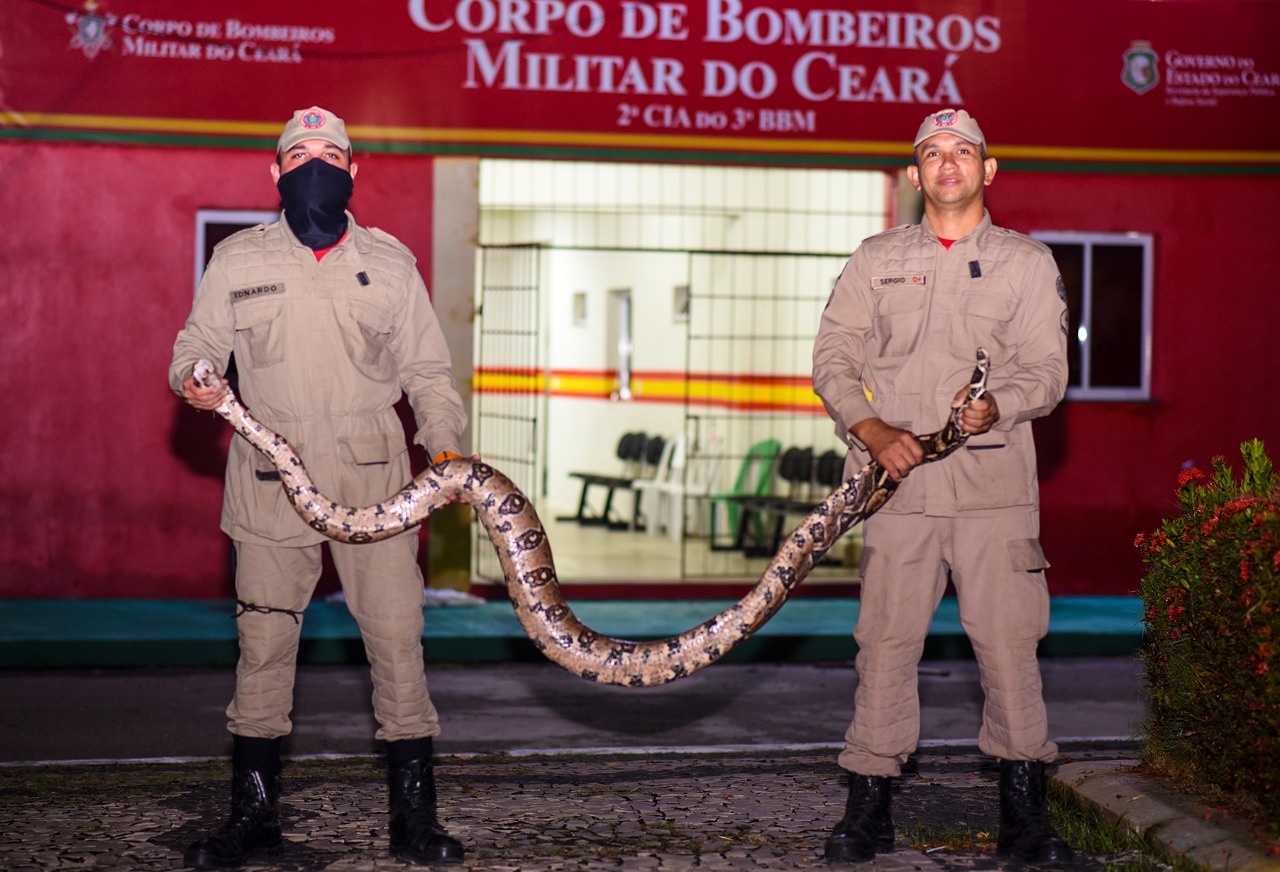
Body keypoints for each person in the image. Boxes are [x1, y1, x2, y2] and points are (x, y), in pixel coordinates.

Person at [170, 106, 468, 869]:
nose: (315, 165)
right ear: (275, 173)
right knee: (263, 651)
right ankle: (255, 818)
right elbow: (197, 345)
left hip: (377, 490)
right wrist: (196, 379)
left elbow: (429, 374)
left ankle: (414, 821)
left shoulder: (392, 263)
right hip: (269, 486)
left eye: (330, 154)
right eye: (298, 155)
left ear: (352, 171)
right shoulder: (237, 261)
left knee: (398, 646)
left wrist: (445, 452)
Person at [812, 108, 1073, 865]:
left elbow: (1048, 372)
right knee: (884, 644)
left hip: (993, 489)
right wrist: (869, 430)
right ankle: (868, 806)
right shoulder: (875, 258)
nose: (948, 163)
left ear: (989, 170)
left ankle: (1025, 814)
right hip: (896, 491)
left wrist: (1002, 405)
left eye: (963, 152)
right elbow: (832, 357)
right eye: (932, 153)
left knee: (1009, 645)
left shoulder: (1026, 263)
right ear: (914, 173)